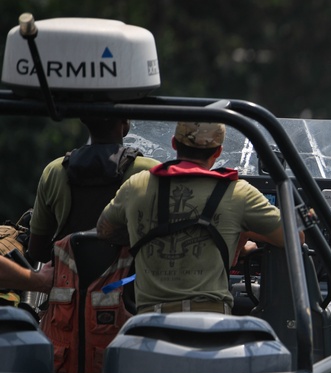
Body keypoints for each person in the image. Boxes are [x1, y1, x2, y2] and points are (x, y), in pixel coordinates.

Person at [96, 121, 287, 314]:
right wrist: (242, 233)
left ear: (173, 143)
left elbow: (105, 230)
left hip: (149, 320)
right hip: (210, 320)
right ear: (218, 151)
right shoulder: (239, 193)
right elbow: (295, 238)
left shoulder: (137, 185)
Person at [28, 117, 156, 264]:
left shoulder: (55, 171)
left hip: (67, 284)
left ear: (83, 120)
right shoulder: (150, 171)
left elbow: (36, 251)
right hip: (128, 285)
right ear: (125, 121)